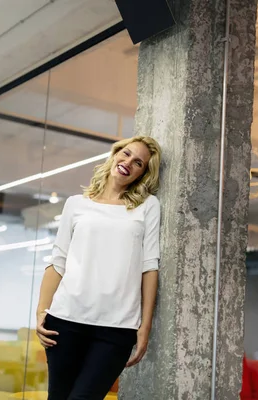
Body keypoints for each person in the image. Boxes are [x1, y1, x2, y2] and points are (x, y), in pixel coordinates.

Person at [35, 135, 162, 400]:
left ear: (142, 173)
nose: (128, 162)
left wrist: (145, 325)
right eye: (126, 154)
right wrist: (40, 312)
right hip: (65, 320)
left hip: (117, 328)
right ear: (115, 154)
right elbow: (58, 261)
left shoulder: (147, 206)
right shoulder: (76, 204)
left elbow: (149, 267)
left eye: (138, 162)